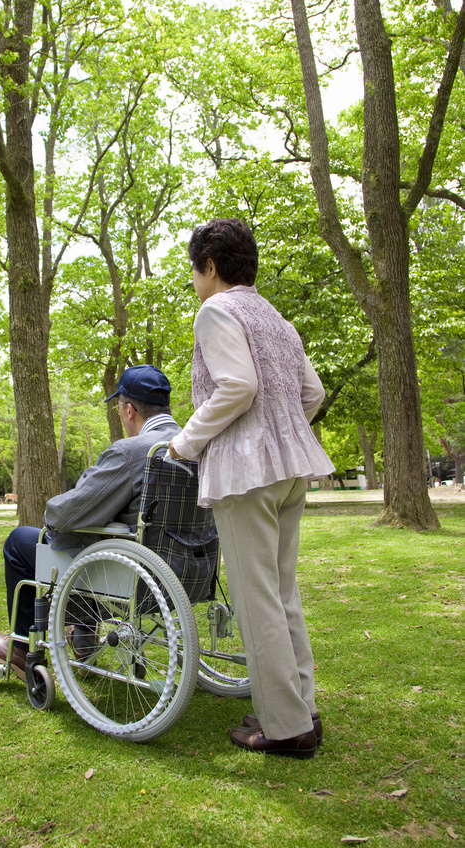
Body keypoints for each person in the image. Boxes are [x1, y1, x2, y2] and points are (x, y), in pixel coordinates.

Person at [169, 218, 334, 759]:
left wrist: (186, 442)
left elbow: (238, 386)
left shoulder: (216, 310)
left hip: (245, 473)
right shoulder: (275, 318)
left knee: (256, 598)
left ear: (210, 266)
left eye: (195, 270)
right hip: (290, 470)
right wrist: (283, 430)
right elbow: (312, 392)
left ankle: (286, 728)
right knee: (283, 593)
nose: (195, 281)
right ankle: (299, 707)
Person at [0, 364, 181, 680]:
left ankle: (21, 647)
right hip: (183, 569)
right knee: (94, 537)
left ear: (129, 410)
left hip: (130, 574)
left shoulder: (133, 451)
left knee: (23, 540)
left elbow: (64, 514)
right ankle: (84, 635)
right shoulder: (195, 445)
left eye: (118, 410)